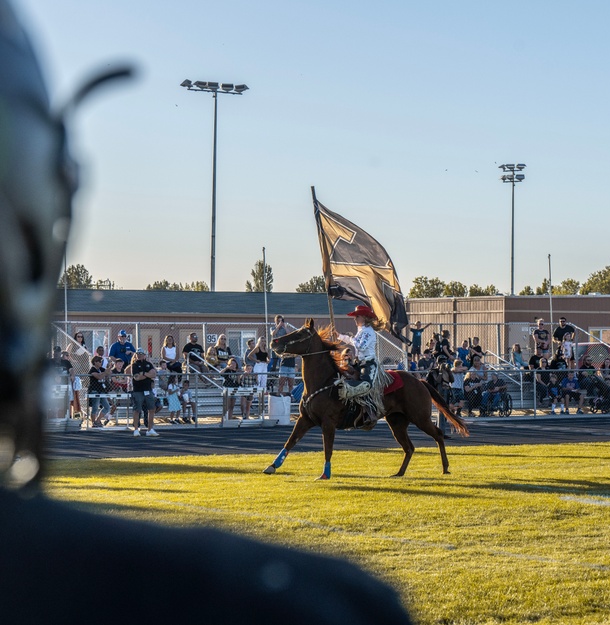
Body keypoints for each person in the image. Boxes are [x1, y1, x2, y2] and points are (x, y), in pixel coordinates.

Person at [0, 10, 413, 622]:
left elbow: (366, 359)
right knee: (335, 387)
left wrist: (353, 357)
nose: (355, 315)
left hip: (368, 373)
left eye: (355, 313)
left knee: (360, 392)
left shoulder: (369, 334)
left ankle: (362, 425)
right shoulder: (306, 603)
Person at [335, 305, 389, 430]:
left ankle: (371, 413)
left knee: (365, 385)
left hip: (368, 363)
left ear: (364, 317)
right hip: (359, 362)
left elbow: (361, 346)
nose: (355, 319)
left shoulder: (369, 332)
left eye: (357, 316)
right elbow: (355, 342)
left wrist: (349, 339)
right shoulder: (361, 331)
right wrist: (340, 336)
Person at [126, 349, 158, 437]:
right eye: (137, 354)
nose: (139, 355)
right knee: (137, 410)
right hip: (138, 390)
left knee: (152, 409)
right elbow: (136, 377)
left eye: (141, 354)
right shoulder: (134, 365)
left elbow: (154, 374)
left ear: (145, 355)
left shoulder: (148, 364)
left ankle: (150, 429)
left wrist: (143, 373)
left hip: (148, 390)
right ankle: (136, 429)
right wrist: (148, 375)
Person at [270, 315, 296, 395]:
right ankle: (272, 381)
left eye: (281, 321)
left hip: (283, 348)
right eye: (278, 321)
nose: (280, 322)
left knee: (290, 383)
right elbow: (273, 334)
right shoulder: (273, 327)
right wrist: (278, 326)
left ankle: (290, 395)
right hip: (277, 347)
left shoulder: (284, 328)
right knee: (274, 365)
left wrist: (284, 327)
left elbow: (289, 334)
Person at [87, 355, 111, 428]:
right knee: (95, 407)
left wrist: (109, 367)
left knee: (107, 407)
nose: (101, 363)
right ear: (95, 362)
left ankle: (98, 420)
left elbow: (109, 373)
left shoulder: (101, 369)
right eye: (99, 361)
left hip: (102, 391)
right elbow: (99, 376)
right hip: (95, 390)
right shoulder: (92, 370)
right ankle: (93, 423)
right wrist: (105, 373)